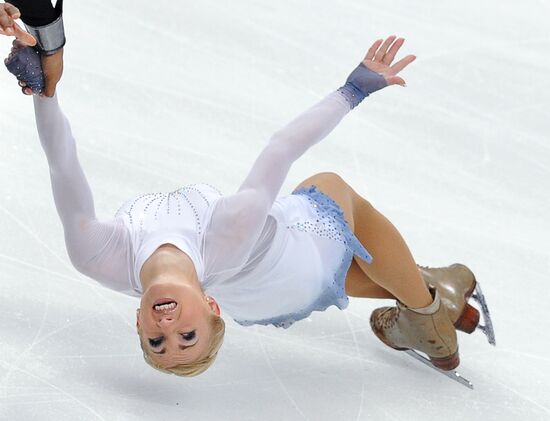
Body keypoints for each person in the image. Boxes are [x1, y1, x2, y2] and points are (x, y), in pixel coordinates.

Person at [3, 6, 491, 379]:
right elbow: (280, 149)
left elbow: (60, 163)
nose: (169, 330)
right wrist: (353, 90)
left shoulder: (98, 256)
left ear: (138, 323)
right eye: (187, 337)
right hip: (280, 274)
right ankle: (427, 309)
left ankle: (428, 303)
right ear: (210, 310)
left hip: (262, 293)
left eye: (157, 343)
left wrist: (43, 91)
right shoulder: (224, 234)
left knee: (332, 259)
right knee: (329, 192)